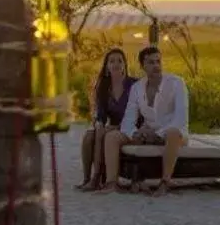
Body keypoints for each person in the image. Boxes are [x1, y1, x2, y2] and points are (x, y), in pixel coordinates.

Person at [106, 45, 188, 196]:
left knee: (172, 132)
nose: (156, 66)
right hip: (147, 133)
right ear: (142, 66)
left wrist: (158, 134)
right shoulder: (137, 88)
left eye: (158, 61)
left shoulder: (177, 83)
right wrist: (135, 133)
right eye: (151, 62)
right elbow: (128, 119)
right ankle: (112, 183)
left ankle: (165, 182)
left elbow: (180, 119)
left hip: (172, 133)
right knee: (112, 137)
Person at [79, 46, 136, 191]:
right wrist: (99, 122)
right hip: (114, 125)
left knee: (103, 132)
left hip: (130, 125)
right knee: (89, 136)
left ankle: (96, 177)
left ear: (124, 65)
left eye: (119, 61)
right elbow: (101, 114)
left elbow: (138, 113)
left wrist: (112, 127)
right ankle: (87, 178)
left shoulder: (133, 84)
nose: (116, 64)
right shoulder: (104, 87)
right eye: (111, 61)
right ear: (106, 67)